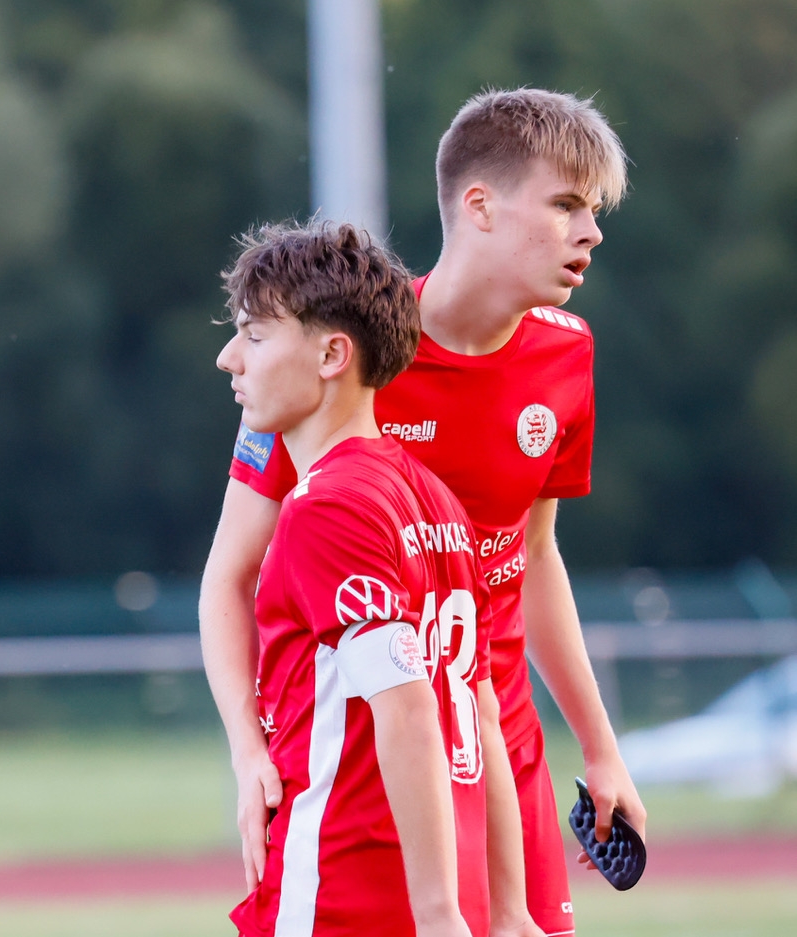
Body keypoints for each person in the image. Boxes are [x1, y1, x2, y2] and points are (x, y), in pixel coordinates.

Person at [201, 88, 647, 937]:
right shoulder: (333, 352)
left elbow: (533, 556)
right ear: (478, 206)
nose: (590, 231)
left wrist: (599, 746)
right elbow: (230, 576)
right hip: (364, 750)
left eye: (593, 210)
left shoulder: (567, 353)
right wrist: (249, 749)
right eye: (565, 205)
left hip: (491, 729)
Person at [211, 219, 541, 937]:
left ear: (333, 354)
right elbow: (481, 715)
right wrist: (509, 910)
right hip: (435, 889)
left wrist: (438, 914)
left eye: (255, 337)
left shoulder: (326, 506)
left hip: (346, 889)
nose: (228, 359)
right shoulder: (435, 499)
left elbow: (409, 710)